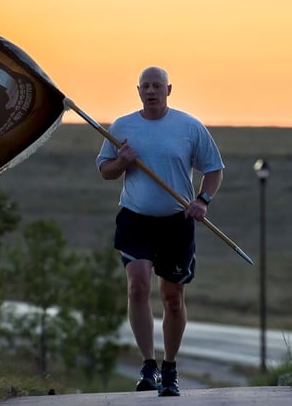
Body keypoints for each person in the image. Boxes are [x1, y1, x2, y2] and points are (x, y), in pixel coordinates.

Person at [96, 66, 224, 397]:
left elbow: (213, 169)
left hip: (176, 223)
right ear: (138, 90)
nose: (151, 91)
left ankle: (169, 368)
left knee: (172, 298)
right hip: (135, 218)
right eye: (145, 86)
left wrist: (202, 200)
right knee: (137, 287)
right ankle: (148, 364)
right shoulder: (123, 127)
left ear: (169, 89)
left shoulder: (189, 127)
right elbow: (105, 170)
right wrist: (122, 162)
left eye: (157, 86)